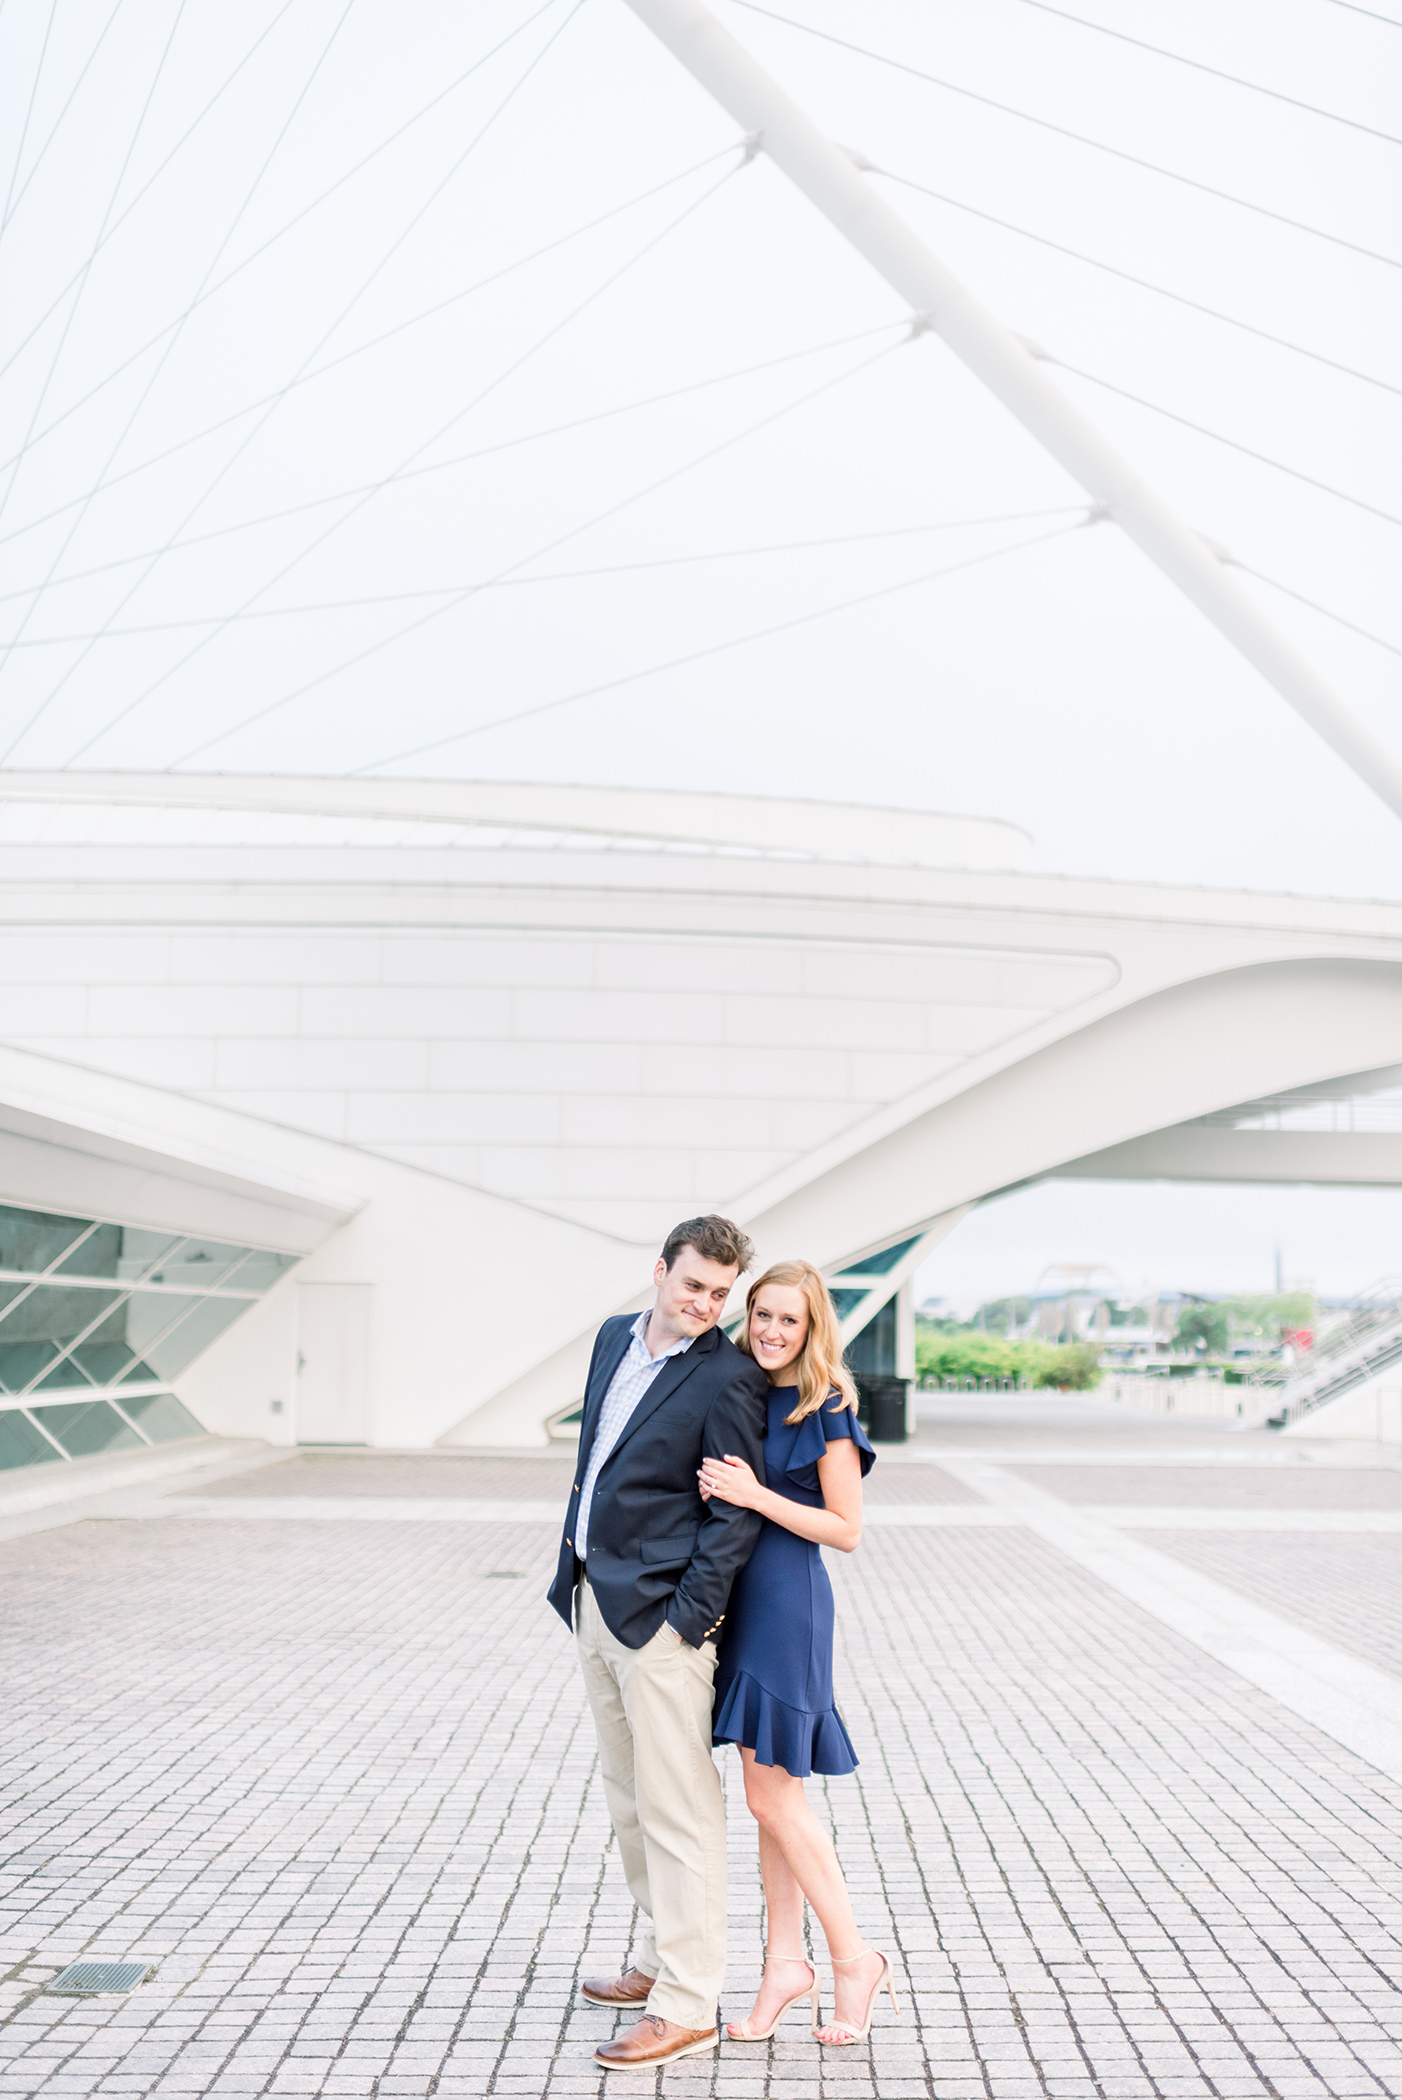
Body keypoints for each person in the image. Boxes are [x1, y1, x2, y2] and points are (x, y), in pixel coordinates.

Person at [547, 1214, 769, 2072]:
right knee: (629, 1798)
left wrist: (690, 1620)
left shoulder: (729, 1378)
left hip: (663, 1624)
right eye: (693, 1287)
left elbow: (731, 1515)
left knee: (680, 1813)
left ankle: (689, 2003)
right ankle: (655, 1960)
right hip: (593, 1598)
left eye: (720, 1294)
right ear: (659, 1273)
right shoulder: (612, 1338)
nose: (706, 1306)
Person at [699, 1259, 900, 2048]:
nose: (773, 1332)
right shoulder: (745, 1390)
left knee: (774, 1800)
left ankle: (853, 1960)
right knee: (766, 1799)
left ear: (813, 1326)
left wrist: (755, 1496)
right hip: (741, 1605)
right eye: (763, 1316)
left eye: (790, 1320)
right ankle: (785, 1963)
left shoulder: (827, 1405)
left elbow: (847, 1529)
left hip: (788, 1609)